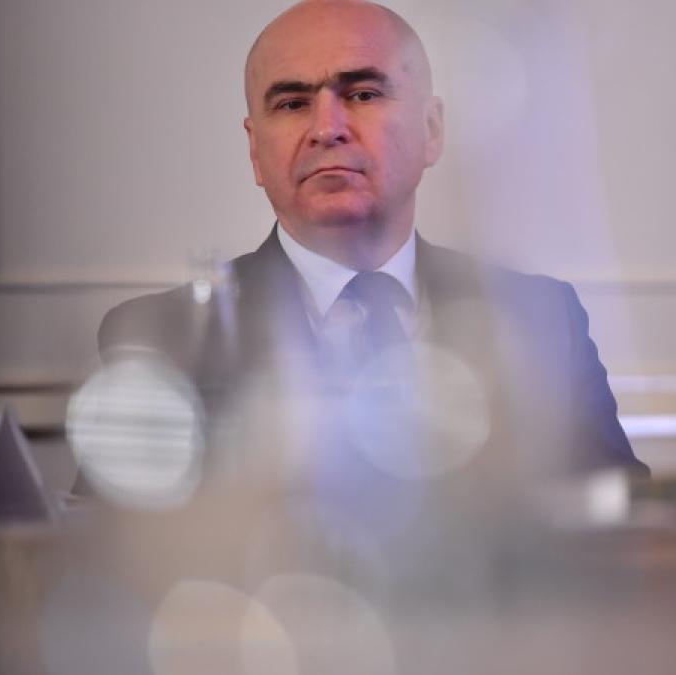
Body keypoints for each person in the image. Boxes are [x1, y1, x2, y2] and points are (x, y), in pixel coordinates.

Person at [97, 0, 647, 489]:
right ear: (254, 151)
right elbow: (110, 545)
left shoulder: (542, 319)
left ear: (432, 129)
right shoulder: (166, 337)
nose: (326, 128)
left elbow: (624, 527)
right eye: (291, 103)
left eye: (362, 94)